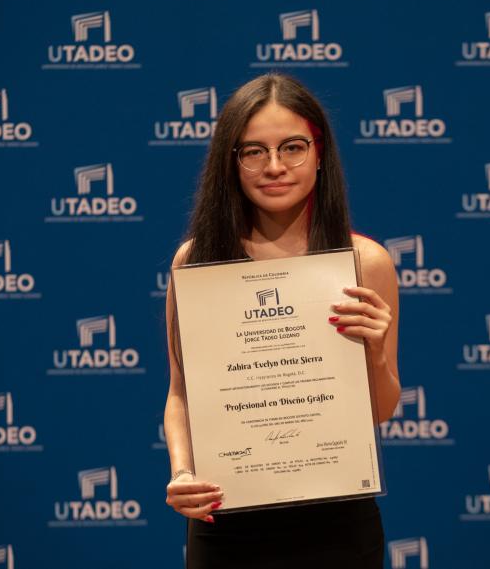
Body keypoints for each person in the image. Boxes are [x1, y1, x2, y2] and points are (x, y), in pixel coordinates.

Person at [163, 73, 401, 568]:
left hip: (338, 525)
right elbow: (181, 393)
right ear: (231, 162)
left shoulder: (366, 263)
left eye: (292, 147)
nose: (274, 167)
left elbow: (380, 411)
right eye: (254, 151)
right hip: (225, 522)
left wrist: (375, 353)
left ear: (319, 152)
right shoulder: (196, 261)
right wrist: (183, 473)